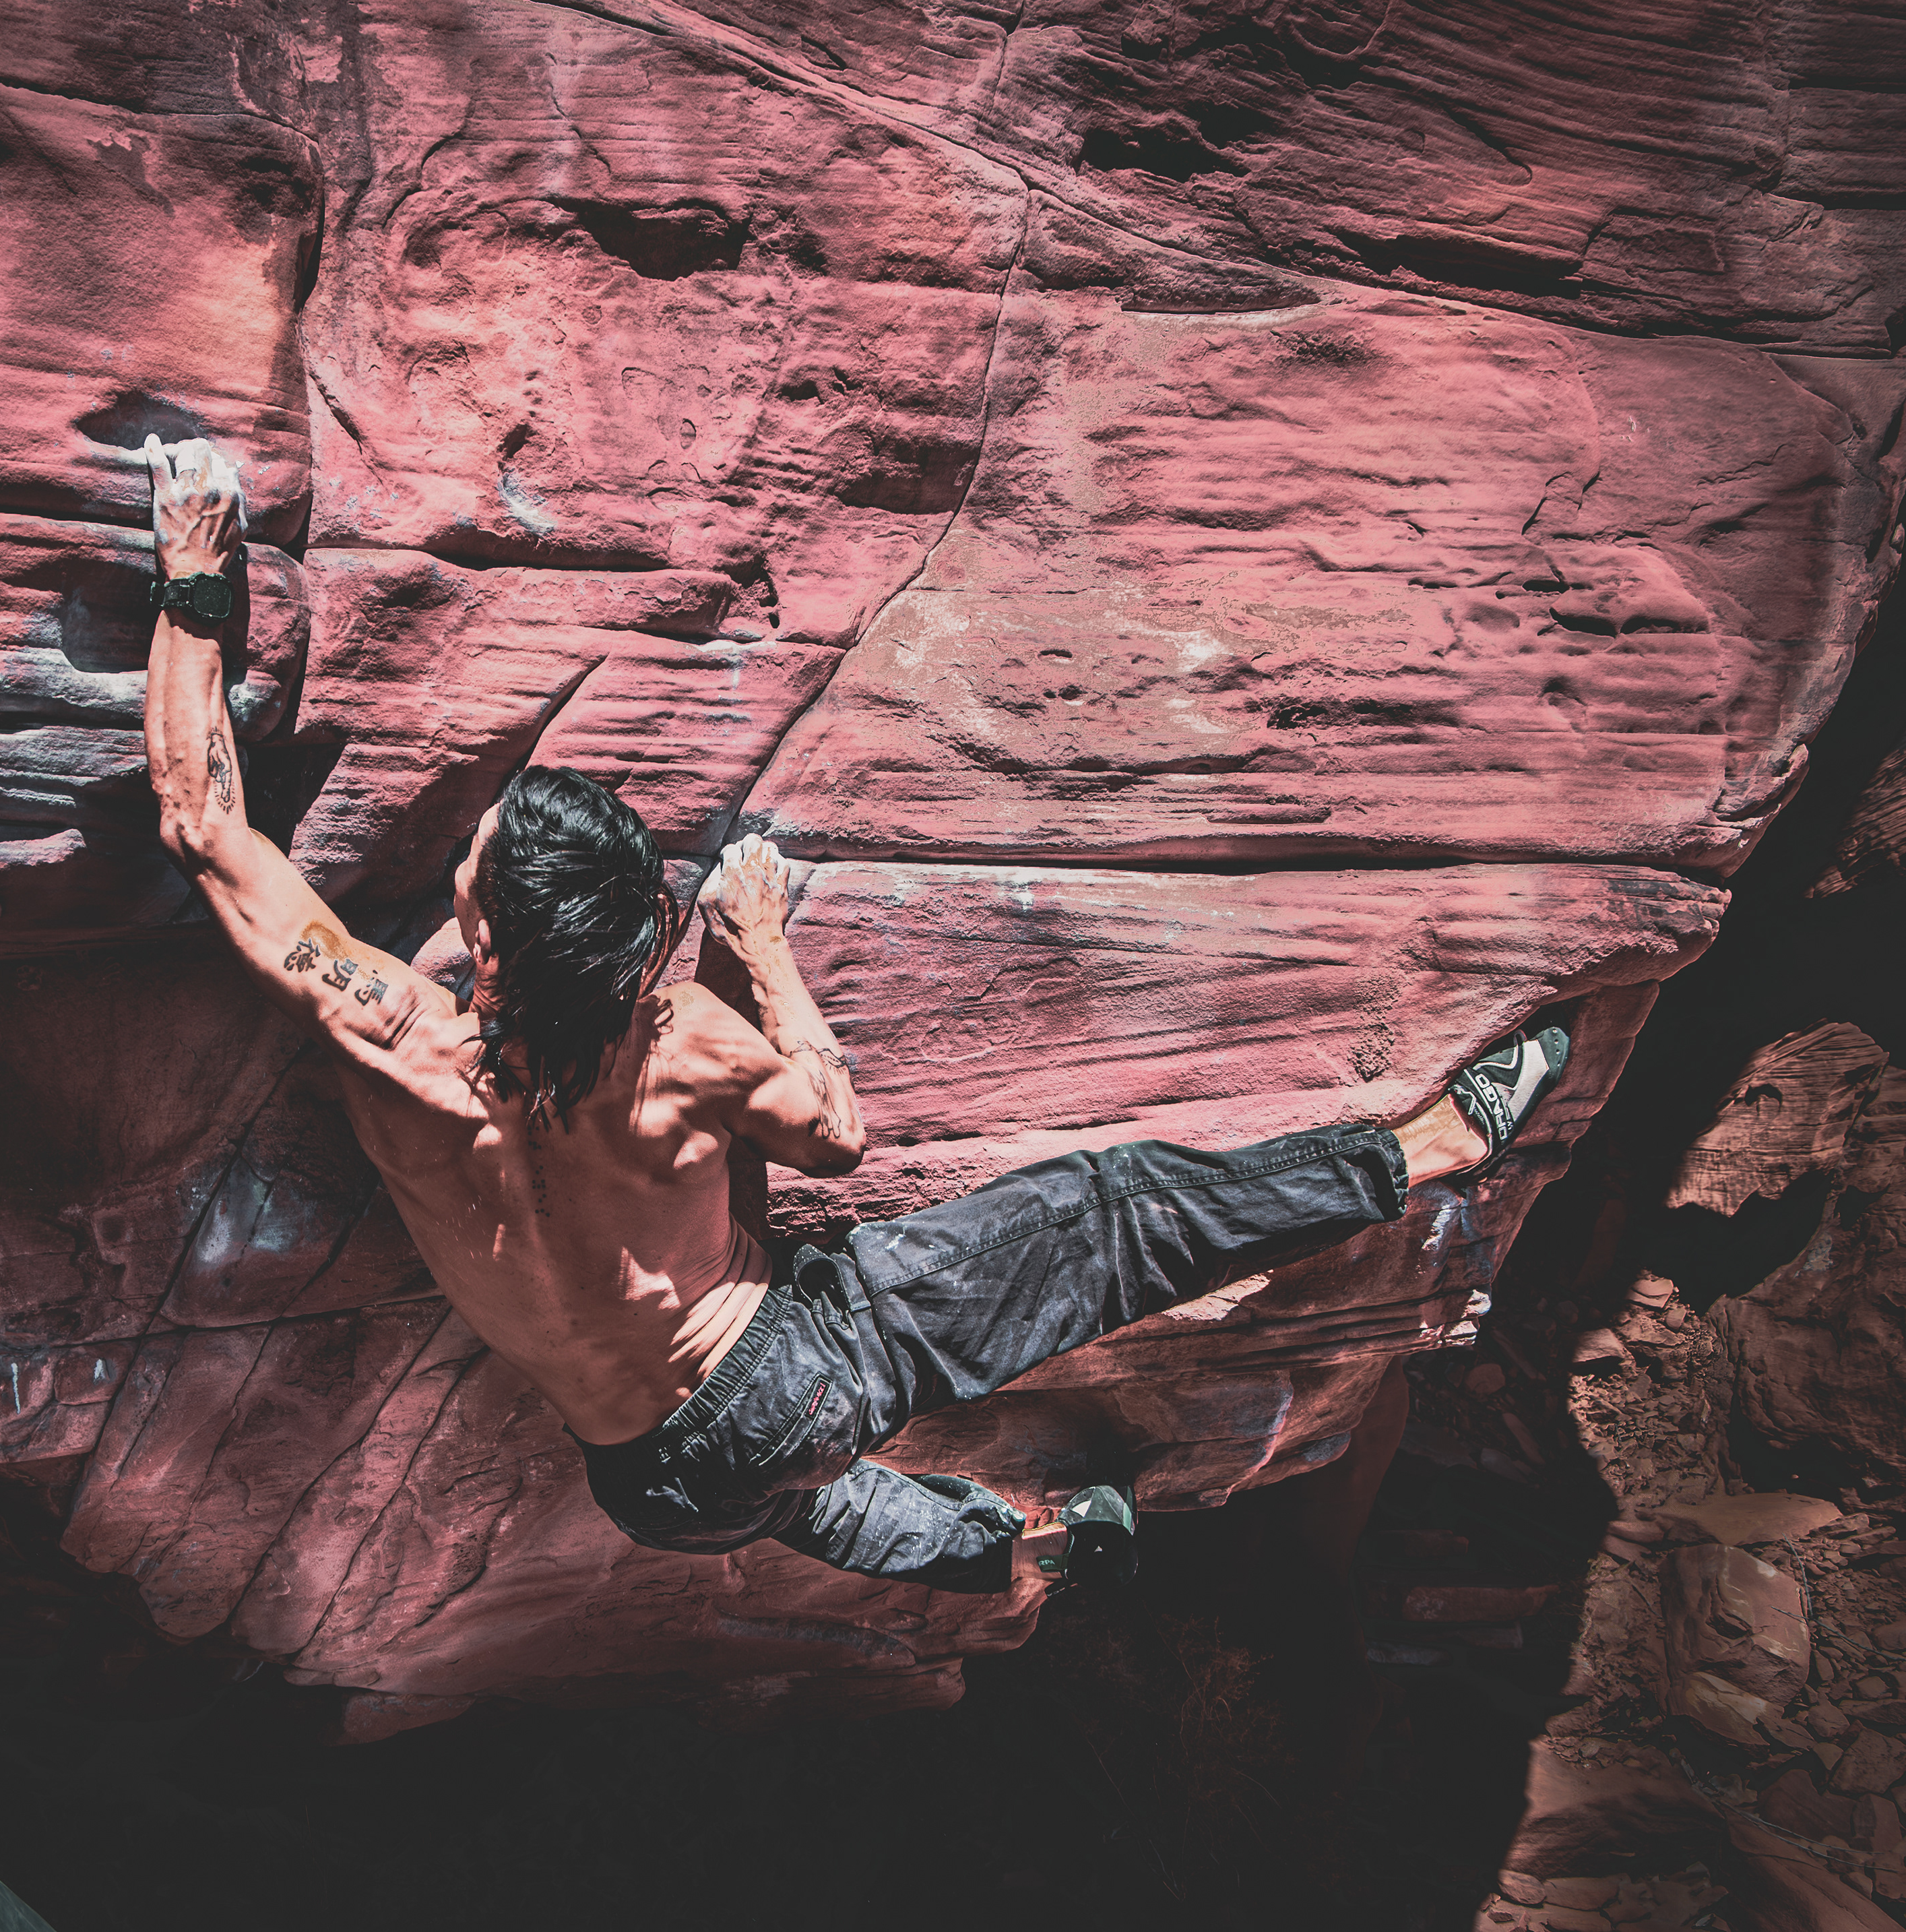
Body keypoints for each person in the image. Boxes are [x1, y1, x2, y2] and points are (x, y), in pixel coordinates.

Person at [137, 437, 1569, 1594]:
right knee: (1110, 1218)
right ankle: (1424, 1150)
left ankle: (1030, 1548)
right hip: (791, 1370)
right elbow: (835, 1131)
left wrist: (196, 571)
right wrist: (764, 945)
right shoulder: (672, 1048)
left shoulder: (385, 1031)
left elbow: (203, 819)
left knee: (805, 1503)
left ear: (489, 929)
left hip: (643, 1476)